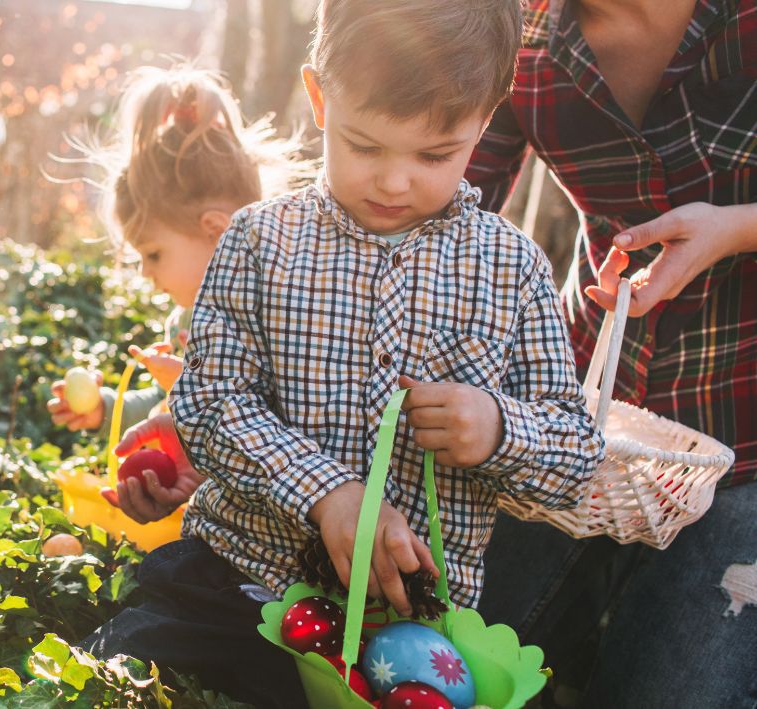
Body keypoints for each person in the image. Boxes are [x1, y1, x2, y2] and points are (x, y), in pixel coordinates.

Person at [84, 0, 606, 705]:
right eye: (365, 145)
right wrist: (327, 491)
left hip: (409, 637)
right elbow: (207, 404)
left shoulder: (510, 268)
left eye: (434, 154)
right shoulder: (259, 241)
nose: (394, 181)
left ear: (485, 120)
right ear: (320, 98)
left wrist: (496, 428)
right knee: (132, 667)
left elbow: (574, 458)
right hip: (239, 583)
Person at [465, 0, 757, 705]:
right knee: (454, 660)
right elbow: (446, 192)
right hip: (581, 415)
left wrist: (737, 228)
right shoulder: (520, 28)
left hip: (744, 441)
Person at [43, 66, 312, 523]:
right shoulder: (186, 322)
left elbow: (292, 424)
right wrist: (107, 410)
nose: (145, 273)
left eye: (153, 253)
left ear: (215, 232)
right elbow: (163, 408)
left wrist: (191, 391)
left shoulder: (290, 312)